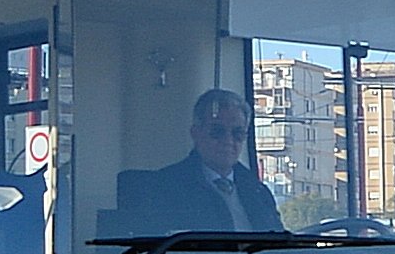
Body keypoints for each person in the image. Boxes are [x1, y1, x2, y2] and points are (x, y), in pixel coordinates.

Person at [114, 88, 285, 234]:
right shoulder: (162, 188)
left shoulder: (258, 191)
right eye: (217, 131)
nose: (228, 140)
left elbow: (279, 248)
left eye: (237, 133)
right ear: (196, 133)